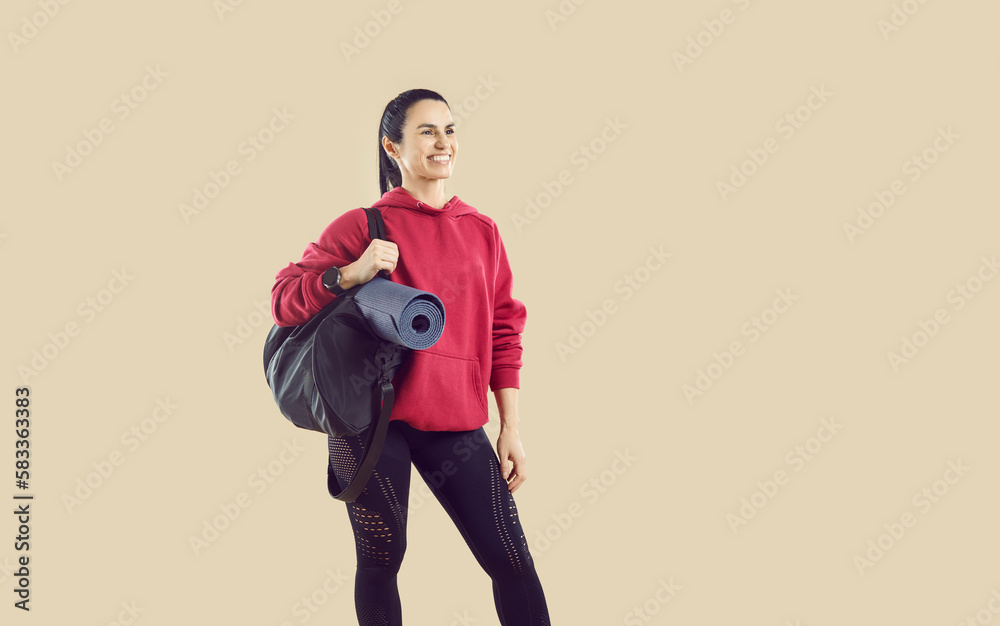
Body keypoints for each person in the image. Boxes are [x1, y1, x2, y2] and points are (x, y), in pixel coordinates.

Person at [270, 89, 551, 625]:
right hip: (372, 420)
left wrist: (510, 425)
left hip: (455, 420)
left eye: (449, 129)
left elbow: (503, 328)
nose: (443, 142)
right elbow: (285, 300)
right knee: (381, 560)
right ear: (392, 147)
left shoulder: (482, 229)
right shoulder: (363, 225)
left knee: (512, 561)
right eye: (426, 131)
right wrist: (349, 273)